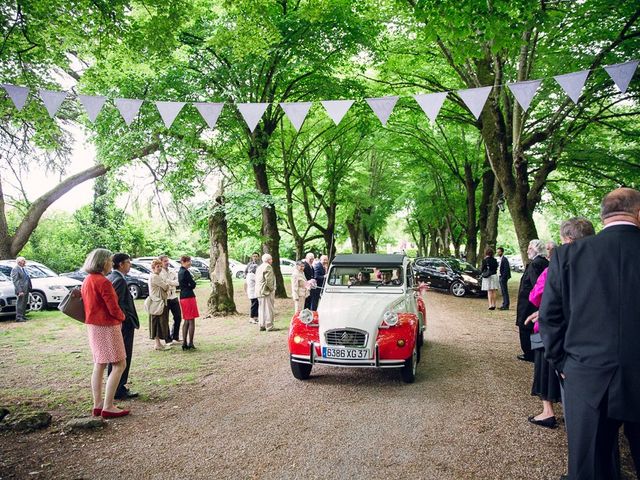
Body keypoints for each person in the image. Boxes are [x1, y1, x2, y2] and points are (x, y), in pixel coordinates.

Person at [539, 188, 640, 480]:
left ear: (604, 216)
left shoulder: (568, 255)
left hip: (585, 373)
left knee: (588, 467)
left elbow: (550, 316)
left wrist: (562, 363)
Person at [525, 218, 595, 430]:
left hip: (559, 336)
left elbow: (538, 297)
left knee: (548, 371)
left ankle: (548, 412)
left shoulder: (556, 265)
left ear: (568, 239)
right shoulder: (601, 264)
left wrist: (543, 314)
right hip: (593, 341)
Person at [80, 248, 129, 419]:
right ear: (102, 262)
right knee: (119, 364)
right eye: (109, 260)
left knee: (99, 363)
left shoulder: (87, 280)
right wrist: (122, 317)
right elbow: (113, 307)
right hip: (107, 326)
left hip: (93, 326)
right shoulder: (103, 281)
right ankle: (108, 405)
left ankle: (98, 403)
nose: (111, 264)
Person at [106, 253, 140, 401]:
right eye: (128, 262)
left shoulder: (113, 278)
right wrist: (125, 318)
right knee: (123, 355)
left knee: (117, 356)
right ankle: (119, 388)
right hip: (124, 324)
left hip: (120, 323)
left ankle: (116, 386)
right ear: (121, 264)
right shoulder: (118, 279)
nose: (130, 264)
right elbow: (117, 303)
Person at [515, 239, 548, 362]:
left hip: (529, 303)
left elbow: (537, 285)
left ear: (535, 249)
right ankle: (536, 353)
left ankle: (529, 354)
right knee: (535, 328)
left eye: (529, 248)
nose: (527, 251)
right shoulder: (544, 262)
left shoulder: (535, 264)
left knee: (526, 327)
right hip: (535, 303)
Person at [147, 259, 171, 351]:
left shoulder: (154, 276)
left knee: (157, 322)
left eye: (161, 266)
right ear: (153, 267)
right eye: (158, 266)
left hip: (156, 302)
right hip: (157, 303)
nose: (160, 268)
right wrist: (166, 285)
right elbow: (165, 286)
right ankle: (157, 344)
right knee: (157, 323)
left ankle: (158, 343)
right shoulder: (155, 277)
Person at [178, 255, 199, 350]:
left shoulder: (179, 272)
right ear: (183, 262)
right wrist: (192, 285)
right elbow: (192, 283)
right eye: (188, 261)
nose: (190, 263)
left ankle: (184, 342)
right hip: (189, 296)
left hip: (182, 296)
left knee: (186, 320)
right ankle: (190, 342)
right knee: (191, 321)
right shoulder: (186, 272)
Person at [159, 255, 181, 343]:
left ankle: (175, 336)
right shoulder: (160, 272)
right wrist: (171, 283)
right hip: (165, 297)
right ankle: (167, 339)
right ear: (160, 262)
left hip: (174, 296)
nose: (167, 262)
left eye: (167, 261)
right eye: (165, 261)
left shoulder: (172, 270)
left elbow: (178, 282)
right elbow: (163, 284)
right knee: (165, 319)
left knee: (178, 317)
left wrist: (170, 282)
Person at [255, 253, 276, 332]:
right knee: (268, 309)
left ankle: (262, 324)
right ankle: (269, 326)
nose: (272, 260)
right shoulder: (268, 267)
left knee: (261, 309)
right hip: (265, 291)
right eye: (271, 259)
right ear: (268, 260)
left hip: (259, 291)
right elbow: (269, 280)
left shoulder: (260, 267)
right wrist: (272, 289)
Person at [10, 256, 32, 323]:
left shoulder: (24, 268)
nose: (25, 262)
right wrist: (20, 291)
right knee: (20, 303)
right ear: (19, 262)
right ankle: (18, 317)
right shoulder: (15, 269)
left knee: (24, 303)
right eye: (23, 261)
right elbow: (15, 281)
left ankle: (23, 316)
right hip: (21, 289)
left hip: (26, 288)